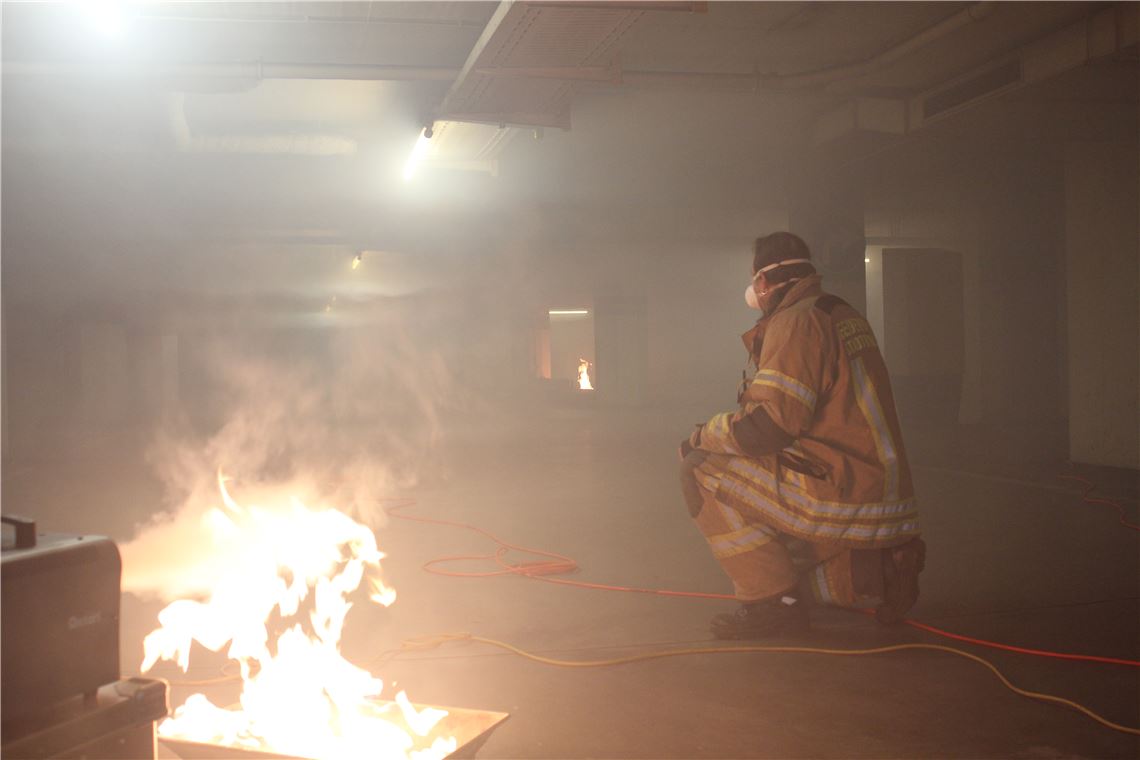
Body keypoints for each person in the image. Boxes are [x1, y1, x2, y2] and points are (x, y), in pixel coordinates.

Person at [679, 232, 925, 639]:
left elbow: (771, 427)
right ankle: (882, 571)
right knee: (802, 586)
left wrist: (702, 435)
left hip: (842, 485)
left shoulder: (796, 321)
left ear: (761, 282)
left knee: (700, 468)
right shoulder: (839, 312)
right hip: (879, 489)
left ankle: (772, 606)